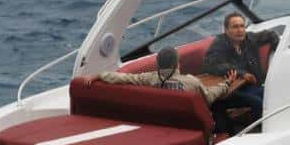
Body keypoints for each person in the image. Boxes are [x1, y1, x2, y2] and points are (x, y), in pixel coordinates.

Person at [85, 47, 237, 108]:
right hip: (187, 123)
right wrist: (226, 83)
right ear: (177, 64)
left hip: (163, 119)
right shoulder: (192, 82)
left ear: (158, 64)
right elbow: (209, 97)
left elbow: (125, 78)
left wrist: (100, 75)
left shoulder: (149, 79)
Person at [202, 13, 280, 125]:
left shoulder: (249, 38)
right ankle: (260, 129)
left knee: (271, 95)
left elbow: (271, 35)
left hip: (249, 86)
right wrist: (241, 73)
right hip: (231, 90)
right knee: (258, 102)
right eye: (235, 27)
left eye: (242, 26)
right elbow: (210, 65)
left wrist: (279, 51)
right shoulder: (219, 44)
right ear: (226, 30)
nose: (240, 30)